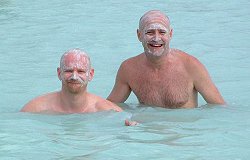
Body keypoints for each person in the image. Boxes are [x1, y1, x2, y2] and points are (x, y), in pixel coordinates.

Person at [107, 10, 225, 108]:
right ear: (139, 35)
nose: (156, 38)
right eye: (150, 32)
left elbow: (220, 107)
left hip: (183, 134)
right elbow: (110, 107)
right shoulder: (128, 69)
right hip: (146, 133)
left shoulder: (191, 66)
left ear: (170, 34)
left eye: (162, 32)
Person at [21, 49, 122, 113]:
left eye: (81, 71)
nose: (74, 77)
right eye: (69, 71)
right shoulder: (35, 109)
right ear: (59, 73)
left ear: (90, 75)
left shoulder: (108, 110)